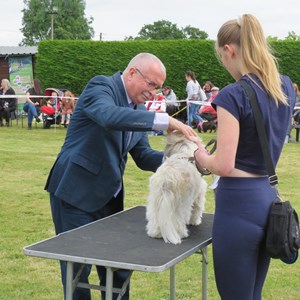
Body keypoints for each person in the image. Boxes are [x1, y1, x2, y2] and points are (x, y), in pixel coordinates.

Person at [45, 52, 196, 300]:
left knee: (118, 270)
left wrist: (182, 162)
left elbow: (143, 154)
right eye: (151, 85)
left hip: (110, 199)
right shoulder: (100, 86)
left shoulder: (138, 108)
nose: (154, 94)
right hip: (75, 195)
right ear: (133, 73)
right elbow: (109, 116)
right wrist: (163, 120)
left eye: (158, 89)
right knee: (77, 274)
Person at [193, 14, 295, 300]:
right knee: (253, 294)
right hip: (267, 197)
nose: (224, 66)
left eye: (222, 58)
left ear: (230, 50)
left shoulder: (232, 95)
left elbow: (223, 164)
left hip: (237, 205)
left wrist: (200, 155)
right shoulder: (284, 86)